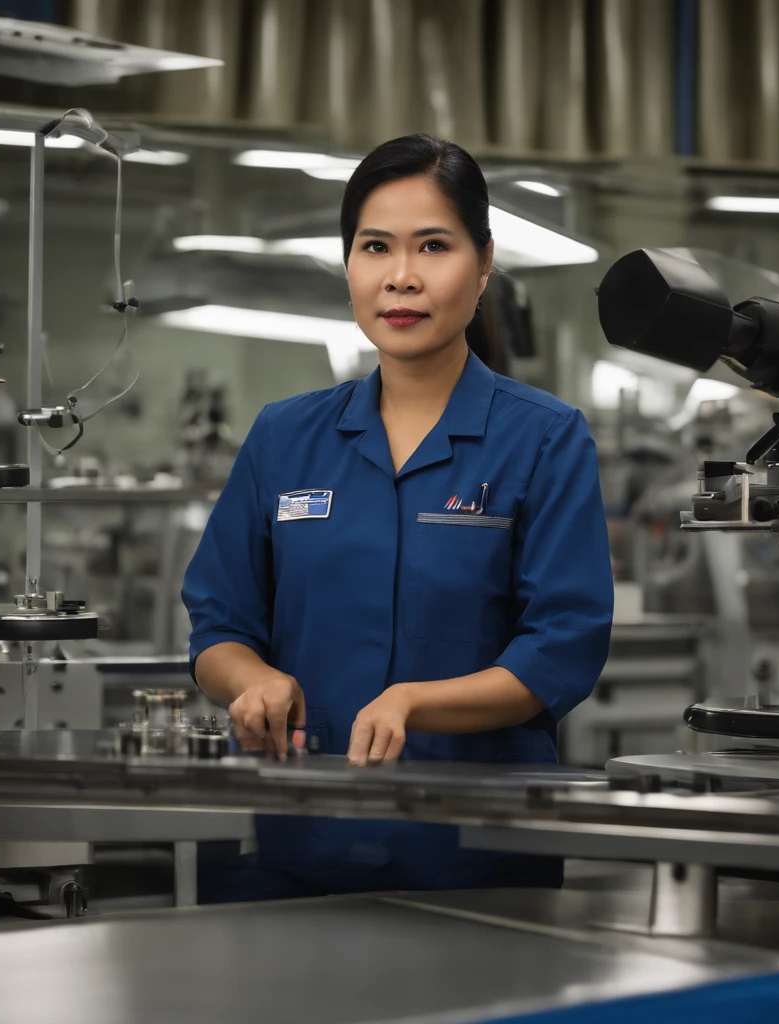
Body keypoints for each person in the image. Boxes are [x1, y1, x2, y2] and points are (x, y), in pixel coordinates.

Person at [182, 133, 614, 901]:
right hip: (300, 841)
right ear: (348, 263)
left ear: (482, 265)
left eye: (434, 247)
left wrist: (418, 701)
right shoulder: (285, 437)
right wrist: (252, 682)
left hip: (477, 861)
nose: (402, 278)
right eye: (375, 247)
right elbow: (219, 625)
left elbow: (561, 649)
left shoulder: (544, 438)